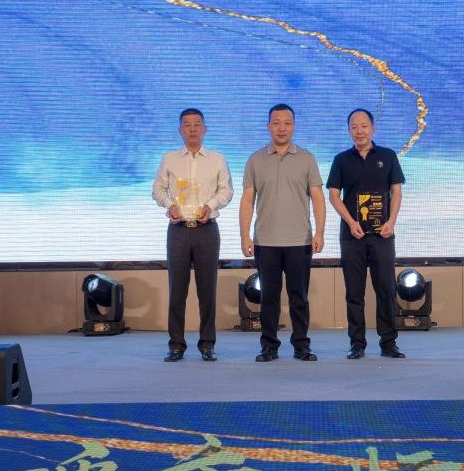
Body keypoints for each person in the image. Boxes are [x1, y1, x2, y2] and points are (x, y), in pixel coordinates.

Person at [240, 104, 325, 362]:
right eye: (276, 122)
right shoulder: (255, 160)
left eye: (287, 123)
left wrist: (320, 232)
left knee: (299, 297)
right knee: (269, 298)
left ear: (293, 126)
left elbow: (318, 198)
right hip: (266, 241)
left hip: (300, 240)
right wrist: (244, 235)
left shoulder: (307, 158)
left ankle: (301, 345)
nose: (281, 128)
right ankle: (269, 346)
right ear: (268, 126)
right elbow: (247, 200)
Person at [152, 108, 233, 362]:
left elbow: (227, 190)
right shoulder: (170, 159)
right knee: (177, 291)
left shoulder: (217, 159)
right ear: (180, 130)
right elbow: (157, 189)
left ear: (205, 129)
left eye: (197, 124)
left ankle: (207, 344)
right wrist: (169, 205)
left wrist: (211, 206)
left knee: (207, 290)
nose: (193, 129)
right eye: (187, 125)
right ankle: (176, 345)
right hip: (178, 230)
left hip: (206, 230)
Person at [327, 109, 406, 359]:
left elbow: (396, 192)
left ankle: (388, 343)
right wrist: (351, 222)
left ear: (372, 129)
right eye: (354, 127)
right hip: (353, 235)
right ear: (349, 130)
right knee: (354, 291)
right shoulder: (341, 160)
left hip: (383, 235)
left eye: (364, 126)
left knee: (386, 289)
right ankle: (357, 343)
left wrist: (391, 222)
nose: (359, 131)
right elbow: (333, 195)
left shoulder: (388, 156)